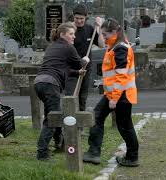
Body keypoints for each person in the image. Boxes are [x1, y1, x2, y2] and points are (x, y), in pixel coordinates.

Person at [83, 18, 139, 167]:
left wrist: (114, 98)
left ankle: (132, 157)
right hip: (116, 94)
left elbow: (121, 75)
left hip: (121, 94)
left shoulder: (120, 48)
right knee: (98, 117)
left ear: (114, 32)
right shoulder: (115, 44)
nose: (103, 37)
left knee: (124, 126)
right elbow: (114, 73)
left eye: (105, 34)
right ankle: (93, 152)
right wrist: (100, 25)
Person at [34, 22, 90, 160]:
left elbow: (62, 69)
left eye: (74, 34)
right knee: (52, 119)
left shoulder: (52, 46)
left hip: (40, 82)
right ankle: (42, 153)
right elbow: (79, 62)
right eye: (71, 34)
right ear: (62, 34)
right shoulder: (68, 48)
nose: (74, 37)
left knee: (52, 114)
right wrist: (85, 60)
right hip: (51, 84)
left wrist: (77, 72)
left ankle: (59, 142)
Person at [65, 4, 105, 111]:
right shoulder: (69, 29)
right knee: (71, 95)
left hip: (86, 68)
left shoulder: (90, 29)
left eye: (81, 19)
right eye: (77, 18)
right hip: (72, 68)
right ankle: (70, 120)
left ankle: (80, 123)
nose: (79, 21)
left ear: (86, 18)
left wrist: (99, 28)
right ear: (73, 17)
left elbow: (101, 45)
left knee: (83, 96)